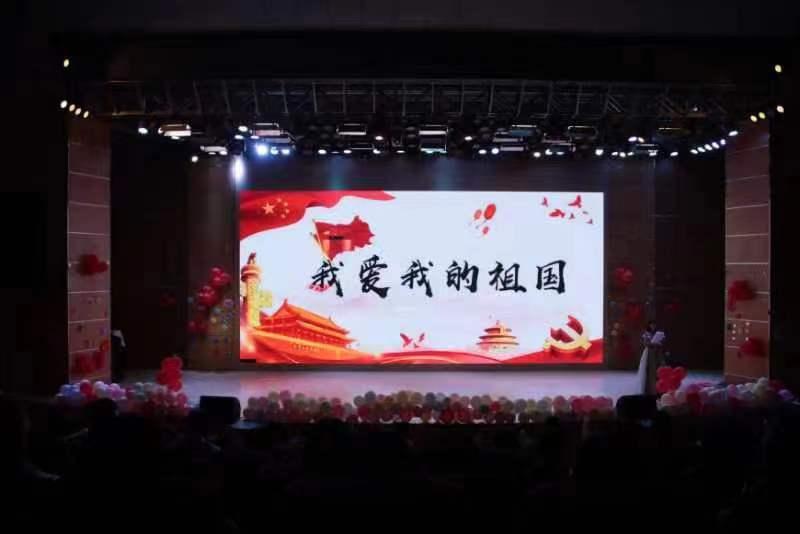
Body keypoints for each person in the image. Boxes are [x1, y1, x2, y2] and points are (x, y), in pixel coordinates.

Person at [638, 321, 665, 395]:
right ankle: (650, 389)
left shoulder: (657, 333)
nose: (653, 326)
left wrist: (659, 343)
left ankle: (659, 389)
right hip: (649, 354)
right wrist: (653, 343)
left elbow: (662, 342)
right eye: (651, 325)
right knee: (650, 371)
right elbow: (645, 343)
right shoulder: (646, 334)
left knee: (658, 370)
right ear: (649, 326)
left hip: (657, 354)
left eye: (654, 325)